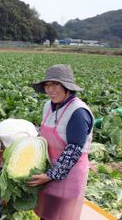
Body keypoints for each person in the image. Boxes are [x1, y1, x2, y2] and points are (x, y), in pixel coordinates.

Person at [27, 64, 93, 220]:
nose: (50, 90)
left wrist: (51, 175)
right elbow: (42, 136)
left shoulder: (78, 112)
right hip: (48, 171)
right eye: (47, 85)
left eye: (55, 84)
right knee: (47, 214)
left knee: (62, 216)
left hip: (69, 175)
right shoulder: (48, 106)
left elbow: (74, 150)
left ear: (67, 87)